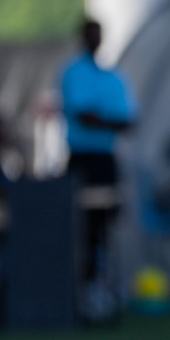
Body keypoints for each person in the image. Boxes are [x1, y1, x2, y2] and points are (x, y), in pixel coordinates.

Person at [60, 18, 136, 284]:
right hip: (82, 159)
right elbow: (83, 116)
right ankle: (81, 281)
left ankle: (99, 280)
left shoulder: (113, 76)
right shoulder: (73, 71)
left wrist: (101, 118)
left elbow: (129, 120)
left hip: (105, 159)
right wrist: (109, 121)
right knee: (82, 223)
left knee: (107, 219)